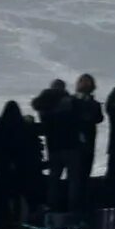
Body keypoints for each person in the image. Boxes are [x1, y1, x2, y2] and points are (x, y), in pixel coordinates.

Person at [31, 79, 79, 213]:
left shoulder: (44, 105)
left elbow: (45, 126)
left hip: (53, 146)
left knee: (54, 179)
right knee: (73, 180)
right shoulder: (70, 102)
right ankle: (72, 209)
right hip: (71, 145)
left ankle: (52, 207)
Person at [0, 100, 40, 222]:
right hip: (20, 167)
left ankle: (5, 219)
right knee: (20, 194)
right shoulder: (23, 128)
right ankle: (22, 221)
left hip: (3, 167)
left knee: (4, 195)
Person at [71, 74, 104, 213]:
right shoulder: (93, 104)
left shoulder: (71, 101)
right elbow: (99, 118)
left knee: (74, 177)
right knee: (84, 175)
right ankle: (82, 207)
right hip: (89, 143)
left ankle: (73, 208)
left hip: (73, 144)